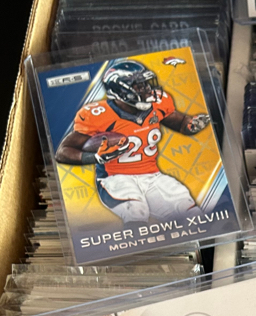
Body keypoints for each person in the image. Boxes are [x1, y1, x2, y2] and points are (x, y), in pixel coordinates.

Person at [55, 57, 211, 225]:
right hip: (114, 177)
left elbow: (180, 123)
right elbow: (63, 151)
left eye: (146, 84)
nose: (147, 89)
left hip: (152, 175)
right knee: (136, 211)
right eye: (139, 85)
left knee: (188, 209)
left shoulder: (157, 103)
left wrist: (192, 124)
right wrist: (95, 158)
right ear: (120, 90)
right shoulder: (98, 114)